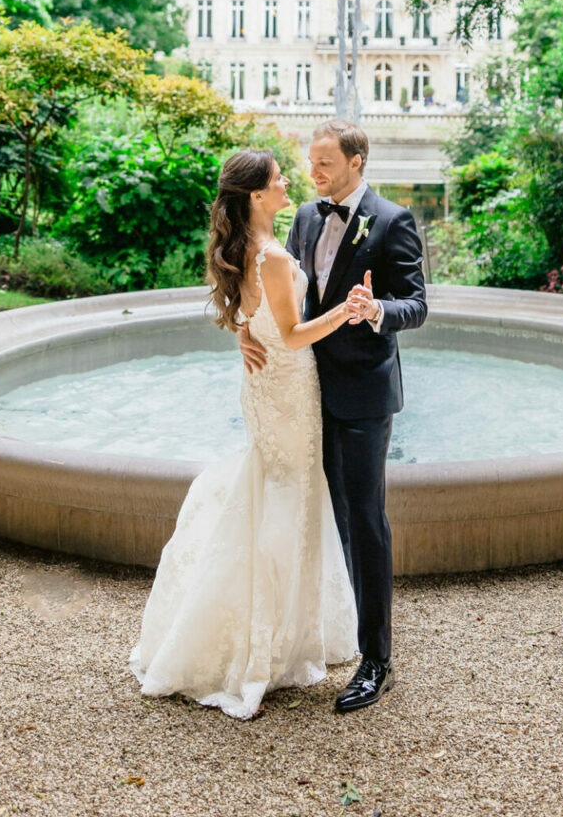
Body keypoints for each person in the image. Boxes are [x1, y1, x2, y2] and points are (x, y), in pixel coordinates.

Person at [129, 149, 358, 720]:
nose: (288, 182)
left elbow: (245, 314)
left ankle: (274, 633)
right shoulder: (274, 256)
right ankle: (263, 646)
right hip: (286, 387)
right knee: (286, 497)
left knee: (273, 490)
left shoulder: (246, 249)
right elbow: (294, 332)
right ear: (256, 195)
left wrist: (241, 331)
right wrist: (348, 311)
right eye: (278, 178)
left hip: (265, 385)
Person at [240, 119, 427, 713]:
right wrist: (247, 328)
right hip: (301, 390)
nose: (312, 172)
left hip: (363, 396)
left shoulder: (393, 221)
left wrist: (376, 311)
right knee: (315, 515)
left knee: (363, 520)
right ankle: (320, 635)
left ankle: (378, 660)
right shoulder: (304, 218)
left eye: (323, 162)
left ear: (356, 162)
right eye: (310, 160)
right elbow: (283, 296)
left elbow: (418, 305)